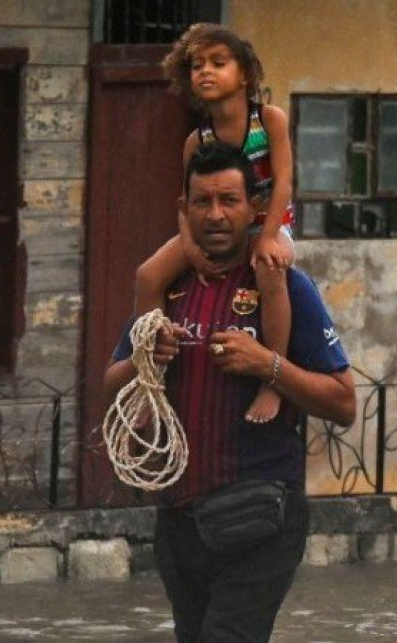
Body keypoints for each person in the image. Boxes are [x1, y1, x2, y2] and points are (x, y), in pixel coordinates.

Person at [104, 143, 355, 643]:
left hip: (261, 509)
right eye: (203, 201)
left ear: (254, 208)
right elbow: (109, 385)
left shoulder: (284, 286)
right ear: (183, 209)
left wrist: (268, 365)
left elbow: (343, 401)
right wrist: (146, 360)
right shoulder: (170, 290)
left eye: (229, 200)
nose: (216, 214)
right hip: (182, 513)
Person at [136, 23, 296, 425]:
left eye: (218, 63)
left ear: (244, 74)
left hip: (267, 222)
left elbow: (284, 183)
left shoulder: (269, 120)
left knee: (270, 271)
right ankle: (148, 382)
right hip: (211, 228)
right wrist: (190, 248)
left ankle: (273, 379)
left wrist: (269, 236)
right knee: (149, 275)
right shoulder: (198, 140)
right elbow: (186, 202)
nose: (205, 71)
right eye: (196, 65)